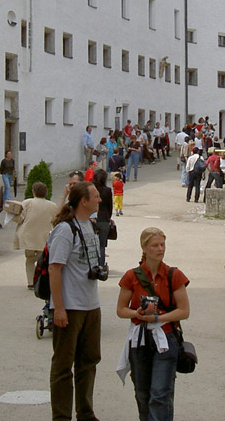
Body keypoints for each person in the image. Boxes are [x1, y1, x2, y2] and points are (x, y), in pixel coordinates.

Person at [116, 227, 190, 421]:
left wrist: (159, 318)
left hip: (165, 337)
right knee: (142, 393)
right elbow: (121, 310)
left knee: (160, 393)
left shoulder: (174, 275)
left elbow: (184, 311)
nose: (160, 249)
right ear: (144, 247)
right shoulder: (131, 276)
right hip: (140, 339)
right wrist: (137, 313)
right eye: (155, 245)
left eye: (162, 245)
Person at [48, 181, 103, 421]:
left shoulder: (89, 226)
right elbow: (54, 268)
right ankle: (61, 417)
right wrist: (58, 308)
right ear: (84, 201)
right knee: (63, 366)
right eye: (96, 196)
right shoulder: (65, 230)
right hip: (70, 306)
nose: (100, 200)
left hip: (91, 304)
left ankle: (85, 413)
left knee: (89, 361)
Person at [13, 182, 58, 288]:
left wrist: (12, 216)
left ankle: (30, 282)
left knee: (29, 259)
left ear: (33, 192)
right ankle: (40, 281)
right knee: (41, 260)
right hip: (43, 237)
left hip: (28, 235)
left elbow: (20, 218)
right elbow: (55, 221)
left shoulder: (27, 203)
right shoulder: (52, 206)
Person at [92, 169, 113, 266]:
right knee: (102, 246)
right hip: (104, 219)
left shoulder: (90, 189)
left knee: (91, 244)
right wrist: (108, 218)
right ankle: (100, 266)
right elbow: (110, 207)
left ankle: (91, 264)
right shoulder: (107, 190)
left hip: (91, 219)